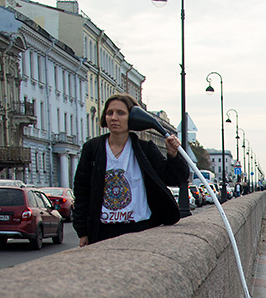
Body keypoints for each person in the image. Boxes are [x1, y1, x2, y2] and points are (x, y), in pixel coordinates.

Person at [72, 93, 189, 246]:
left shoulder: (145, 149)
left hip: (139, 229)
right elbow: (82, 190)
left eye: (121, 113)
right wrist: (83, 232)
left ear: (133, 117)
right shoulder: (93, 148)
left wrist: (173, 155)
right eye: (110, 113)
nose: (114, 118)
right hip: (103, 231)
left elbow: (174, 178)